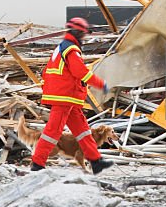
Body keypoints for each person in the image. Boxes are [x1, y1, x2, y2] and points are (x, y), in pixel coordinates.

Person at [30, 16, 114, 174]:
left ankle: (96, 161)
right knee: (52, 131)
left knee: (83, 130)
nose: (84, 37)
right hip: (65, 97)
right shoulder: (71, 50)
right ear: (77, 33)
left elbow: (47, 72)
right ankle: (37, 164)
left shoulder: (62, 47)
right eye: (83, 34)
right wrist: (101, 84)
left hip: (66, 97)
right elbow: (80, 72)